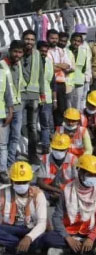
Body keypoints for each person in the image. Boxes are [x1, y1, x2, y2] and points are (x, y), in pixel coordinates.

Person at [44, 155, 96, 255]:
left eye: (94, 175)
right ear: (80, 172)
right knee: (48, 238)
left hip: (89, 232)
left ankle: (66, 251)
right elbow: (56, 217)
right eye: (89, 174)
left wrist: (91, 237)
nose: (92, 177)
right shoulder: (67, 189)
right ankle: (87, 248)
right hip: (69, 232)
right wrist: (68, 238)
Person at [0, 162, 47, 255]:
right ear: (11, 181)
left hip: (30, 228)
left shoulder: (38, 194)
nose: (21, 185)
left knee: (49, 237)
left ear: (29, 181)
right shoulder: (3, 193)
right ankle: (27, 248)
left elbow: (42, 223)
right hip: (10, 228)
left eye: (24, 182)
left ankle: (9, 247)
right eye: (18, 182)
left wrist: (29, 237)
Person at [20, 30, 45, 161]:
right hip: (19, 96)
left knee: (33, 127)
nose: (29, 42)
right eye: (27, 39)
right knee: (16, 126)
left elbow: (41, 75)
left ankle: (32, 155)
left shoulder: (37, 55)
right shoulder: (17, 53)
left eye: (31, 39)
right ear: (22, 39)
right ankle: (11, 156)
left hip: (34, 96)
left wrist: (42, 93)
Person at [1, 40, 24, 175]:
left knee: (15, 137)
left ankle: (9, 164)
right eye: (15, 51)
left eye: (20, 52)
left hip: (18, 106)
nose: (17, 54)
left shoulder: (19, 64)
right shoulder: (2, 65)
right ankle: (3, 168)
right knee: (3, 141)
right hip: (5, 109)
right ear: (10, 51)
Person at [48, 29, 73, 127]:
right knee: (50, 110)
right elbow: (49, 69)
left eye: (56, 38)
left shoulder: (61, 51)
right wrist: (60, 65)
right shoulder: (45, 51)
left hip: (61, 84)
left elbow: (68, 66)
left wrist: (55, 65)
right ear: (47, 38)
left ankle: (59, 131)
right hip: (49, 84)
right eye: (52, 38)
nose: (54, 40)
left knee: (61, 109)